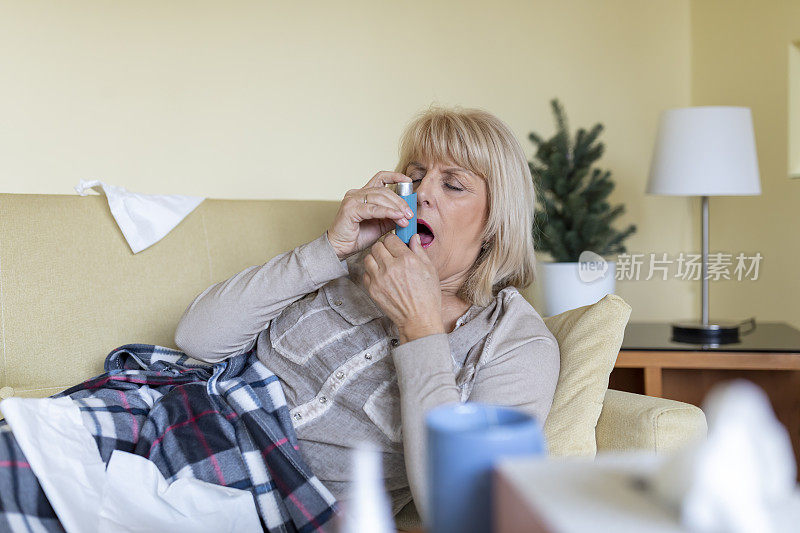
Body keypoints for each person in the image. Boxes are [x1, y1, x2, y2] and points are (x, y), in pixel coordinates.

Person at [173, 104, 560, 526]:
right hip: (184, 429)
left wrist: (421, 330)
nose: (423, 191)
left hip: (266, 508)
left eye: (453, 185)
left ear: (496, 222)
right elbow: (197, 339)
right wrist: (330, 249)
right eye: (414, 176)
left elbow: (462, 513)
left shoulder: (515, 344)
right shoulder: (345, 266)